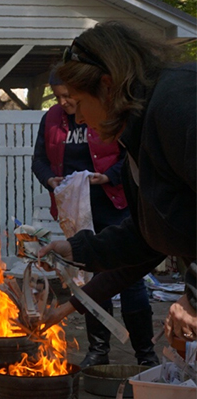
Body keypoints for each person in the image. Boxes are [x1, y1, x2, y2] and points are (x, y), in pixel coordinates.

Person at [37, 21, 196, 349]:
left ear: (107, 86)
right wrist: (80, 250)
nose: (78, 118)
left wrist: (194, 296)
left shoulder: (178, 104)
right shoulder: (137, 136)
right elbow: (149, 238)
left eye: (79, 102)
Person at [32, 65, 158, 367]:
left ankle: (145, 352)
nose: (67, 105)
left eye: (70, 96)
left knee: (131, 279)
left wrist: (108, 177)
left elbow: (128, 156)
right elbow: (39, 159)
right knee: (89, 274)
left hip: (113, 206)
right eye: (59, 97)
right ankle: (98, 348)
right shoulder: (51, 118)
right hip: (78, 211)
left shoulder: (110, 117)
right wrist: (51, 179)